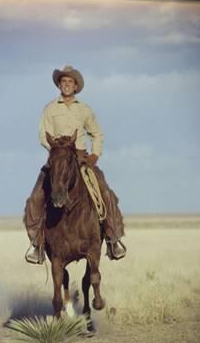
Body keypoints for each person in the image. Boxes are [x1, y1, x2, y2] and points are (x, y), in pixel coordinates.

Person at [23, 65, 126, 264]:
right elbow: (42, 134)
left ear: (76, 86)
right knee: (35, 198)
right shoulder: (50, 109)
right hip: (57, 158)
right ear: (59, 85)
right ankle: (36, 243)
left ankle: (113, 239)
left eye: (70, 82)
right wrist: (57, 150)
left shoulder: (84, 109)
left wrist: (95, 155)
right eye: (63, 82)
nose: (67, 85)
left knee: (105, 192)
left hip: (80, 157)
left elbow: (97, 133)